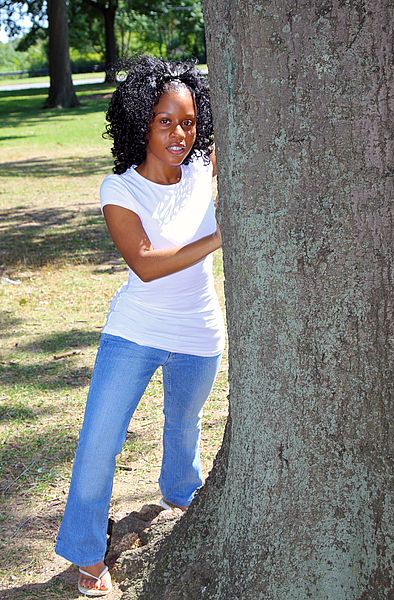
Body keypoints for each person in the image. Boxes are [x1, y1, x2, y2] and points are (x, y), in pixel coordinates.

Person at [54, 55, 224, 597]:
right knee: (99, 444)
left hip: (200, 333)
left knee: (185, 428)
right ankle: (86, 553)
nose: (180, 134)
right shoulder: (119, 189)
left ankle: (180, 495)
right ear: (140, 122)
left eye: (189, 121)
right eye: (165, 121)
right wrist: (223, 234)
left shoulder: (203, 168)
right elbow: (146, 264)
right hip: (135, 332)